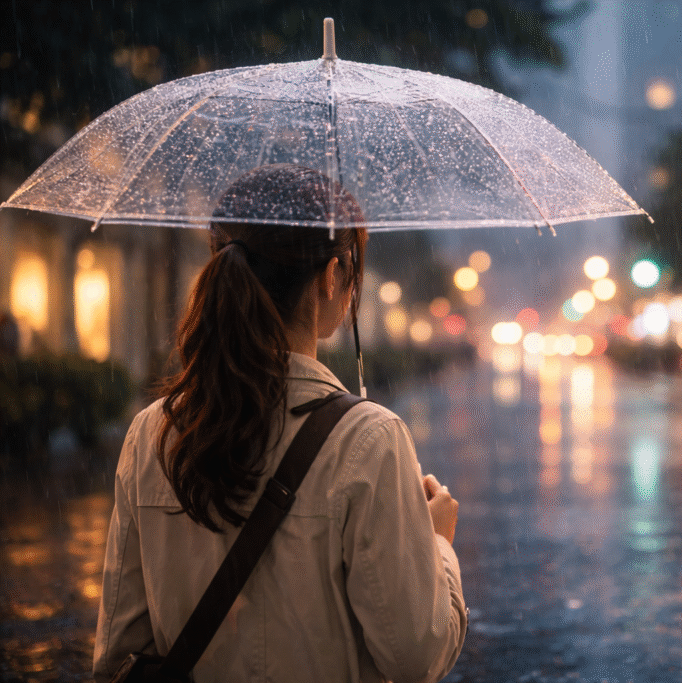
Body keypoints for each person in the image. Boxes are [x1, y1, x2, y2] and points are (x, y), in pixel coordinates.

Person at [93, 165, 467, 683]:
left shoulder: (152, 431)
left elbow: (119, 652)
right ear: (333, 278)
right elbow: (415, 659)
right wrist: (438, 546)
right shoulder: (371, 441)